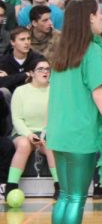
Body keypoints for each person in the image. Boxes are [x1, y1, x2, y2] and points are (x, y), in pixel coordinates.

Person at [45, 0, 102, 224]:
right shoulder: (92, 51)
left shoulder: (62, 53)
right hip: (80, 134)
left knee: (66, 196)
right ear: (89, 18)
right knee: (77, 197)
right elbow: (98, 93)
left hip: (59, 132)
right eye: (99, 13)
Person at [7, 58, 57, 200]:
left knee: (51, 146)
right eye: (40, 69)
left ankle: (59, 186)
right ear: (31, 73)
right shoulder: (20, 91)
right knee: (23, 145)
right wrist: (29, 135)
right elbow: (17, 119)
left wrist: (45, 133)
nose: (45, 72)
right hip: (24, 132)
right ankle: (11, 187)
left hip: (47, 132)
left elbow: (57, 116)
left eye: (47, 69)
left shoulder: (55, 91)